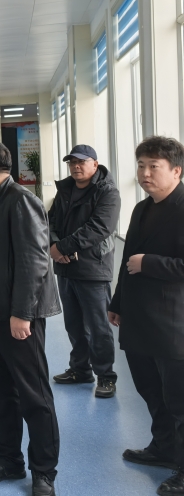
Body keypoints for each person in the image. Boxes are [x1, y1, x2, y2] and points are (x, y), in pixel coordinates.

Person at [0, 140, 61, 496]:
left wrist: (22, 314)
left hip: (16, 318)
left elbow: (34, 262)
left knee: (34, 395)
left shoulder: (20, 201)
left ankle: (44, 471)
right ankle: (8, 460)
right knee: (0, 391)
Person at [109, 136, 184, 495]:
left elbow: (144, 261)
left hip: (173, 323)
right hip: (139, 319)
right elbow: (128, 262)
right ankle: (163, 448)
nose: (145, 173)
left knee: (179, 399)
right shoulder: (141, 208)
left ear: (177, 171)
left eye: (154, 166)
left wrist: (150, 264)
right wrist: (117, 302)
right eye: (141, 165)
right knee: (150, 390)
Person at [47, 144, 120, 398]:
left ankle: (106, 376)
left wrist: (61, 247)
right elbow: (50, 221)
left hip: (93, 269)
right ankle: (80, 370)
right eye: (72, 163)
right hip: (66, 268)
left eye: (81, 162)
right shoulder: (65, 190)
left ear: (95, 164)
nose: (76, 167)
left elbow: (99, 228)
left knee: (98, 326)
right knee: (74, 324)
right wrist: (54, 245)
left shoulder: (107, 192)